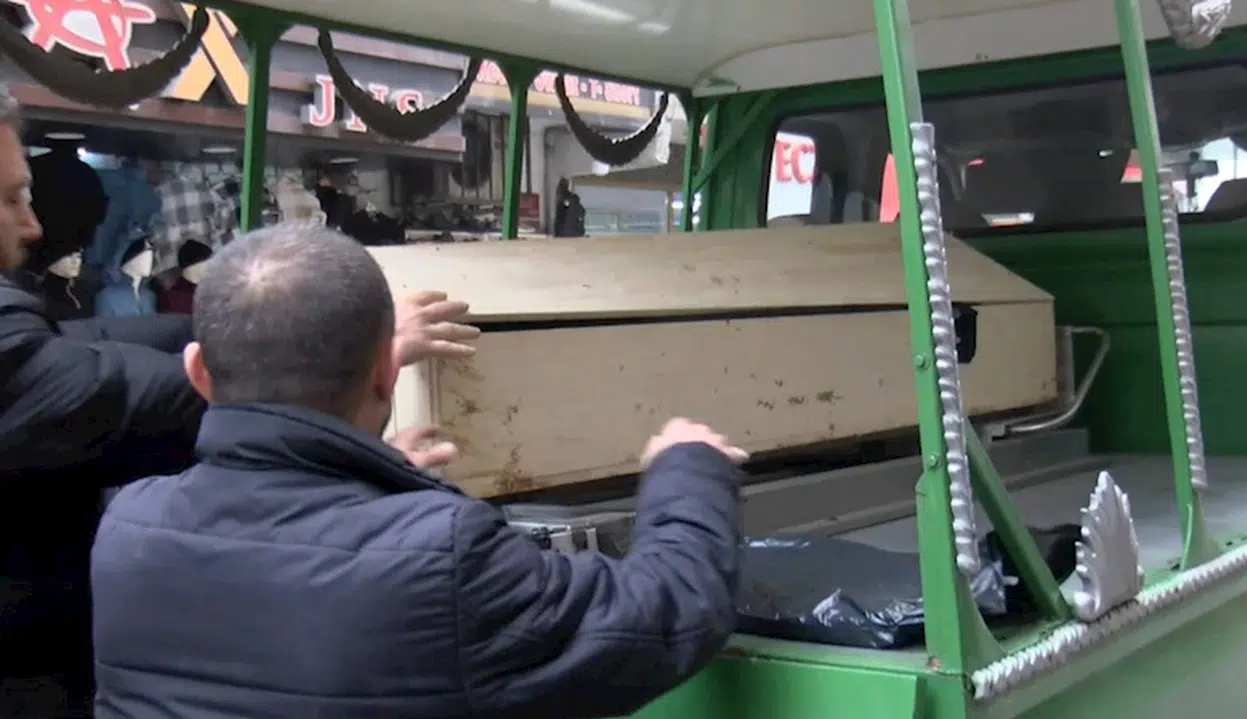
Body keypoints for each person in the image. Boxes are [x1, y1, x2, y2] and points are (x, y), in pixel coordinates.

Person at [91, 224, 747, 718]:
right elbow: (667, 612)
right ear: (387, 370)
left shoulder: (127, 527)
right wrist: (687, 467)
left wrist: (378, 482)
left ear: (199, 373)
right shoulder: (446, 558)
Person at [0, 84, 478, 716]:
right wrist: (339, 370)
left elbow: (81, 341)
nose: (32, 224)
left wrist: (273, 323)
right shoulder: (450, 549)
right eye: (11, 199)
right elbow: (78, 383)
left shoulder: (136, 521)